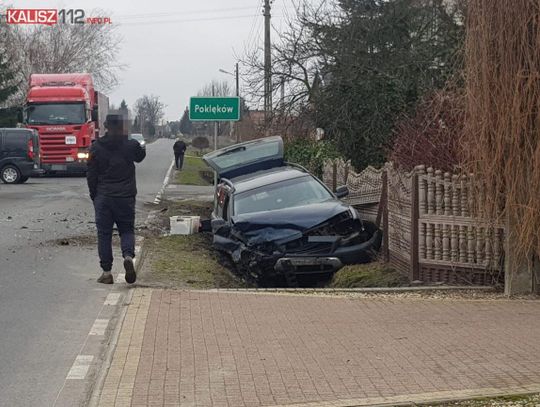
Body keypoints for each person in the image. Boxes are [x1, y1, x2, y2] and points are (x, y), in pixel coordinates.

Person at [87, 114, 146, 284]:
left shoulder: (96, 147)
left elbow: (91, 174)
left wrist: (94, 195)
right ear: (123, 127)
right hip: (126, 197)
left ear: (106, 126)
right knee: (127, 230)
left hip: (104, 196)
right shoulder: (130, 145)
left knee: (104, 234)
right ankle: (128, 256)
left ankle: (106, 273)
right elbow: (140, 157)